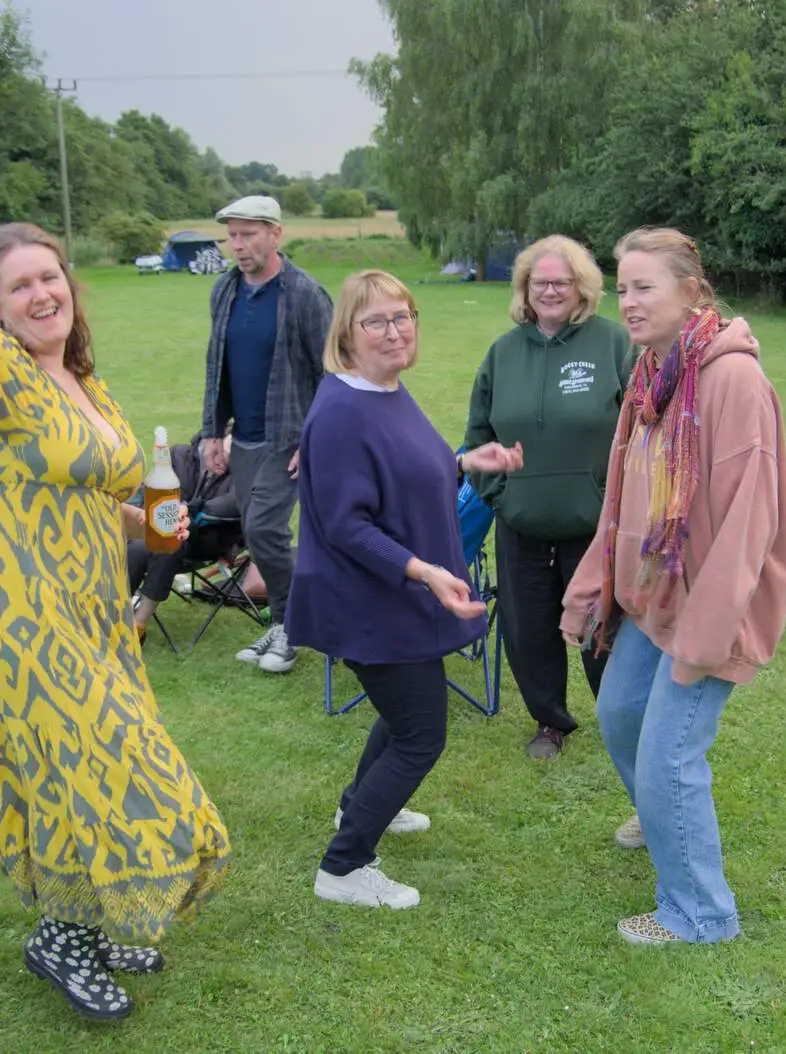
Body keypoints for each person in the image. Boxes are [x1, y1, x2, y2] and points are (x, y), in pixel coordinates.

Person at [0, 86, 230, 1021]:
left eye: (52, 277)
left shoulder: (82, 379)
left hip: (92, 609)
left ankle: (84, 923)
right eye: (19, 285)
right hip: (17, 615)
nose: (42, 293)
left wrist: (148, 526)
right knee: (110, 775)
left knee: (83, 778)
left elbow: (106, 492)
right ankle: (62, 937)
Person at [561, 228, 786, 946]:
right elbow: (623, 497)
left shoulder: (729, 378)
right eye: (622, 287)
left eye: (644, 287)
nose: (627, 301)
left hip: (709, 609)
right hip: (652, 596)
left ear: (692, 293)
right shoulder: (651, 372)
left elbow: (747, 524)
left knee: (668, 752)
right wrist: (593, 585)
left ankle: (700, 915)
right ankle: (665, 820)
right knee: (622, 718)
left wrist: (704, 641)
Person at [287, 269, 523, 911]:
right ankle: (344, 867)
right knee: (421, 732)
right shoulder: (340, 409)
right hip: (367, 600)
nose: (394, 331)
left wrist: (469, 462)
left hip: (398, 595)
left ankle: (360, 810)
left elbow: (405, 463)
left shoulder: (386, 390)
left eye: (403, 317)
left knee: (402, 718)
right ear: (348, 333)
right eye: (376, 321)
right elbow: (345, 523)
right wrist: (421, 570)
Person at [463, 235, 636, 760]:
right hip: (522, 523)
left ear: (582, 287)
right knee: (529, 628)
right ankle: (550, 722)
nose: (551, 290)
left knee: (602, 626)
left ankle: (618, 715)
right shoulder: (503, 352)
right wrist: (504, 496)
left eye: (562, 281)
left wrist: (612, 497)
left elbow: (642, 432)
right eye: (540, 282)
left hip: (595, 524)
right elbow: (477, 437)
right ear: (525, 289)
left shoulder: (614, 344)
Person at [199, 194, 333, 674]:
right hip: (244, 439)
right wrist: (212, 432)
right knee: (257, 534)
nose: (238, 244)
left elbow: (332, 374)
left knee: (265, 531)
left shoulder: (305, 295)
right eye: (232, 235)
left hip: (289, 440)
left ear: (276, 234)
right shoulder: (225, 290)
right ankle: (287, 621)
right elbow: (217, 367)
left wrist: (314, 440)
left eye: (248, 234)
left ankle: (291, 627)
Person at [125, 432, 245, 643]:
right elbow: (154, 488)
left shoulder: (242, 470)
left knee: (168, 545)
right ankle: (117, 613)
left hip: (207, 538)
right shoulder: (178, 454)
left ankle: (138, 625)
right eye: (223, 455)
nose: (225, 463)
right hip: (163, 526)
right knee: (138, 546)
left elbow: (234, 502)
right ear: (212, 443)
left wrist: (189, 511)